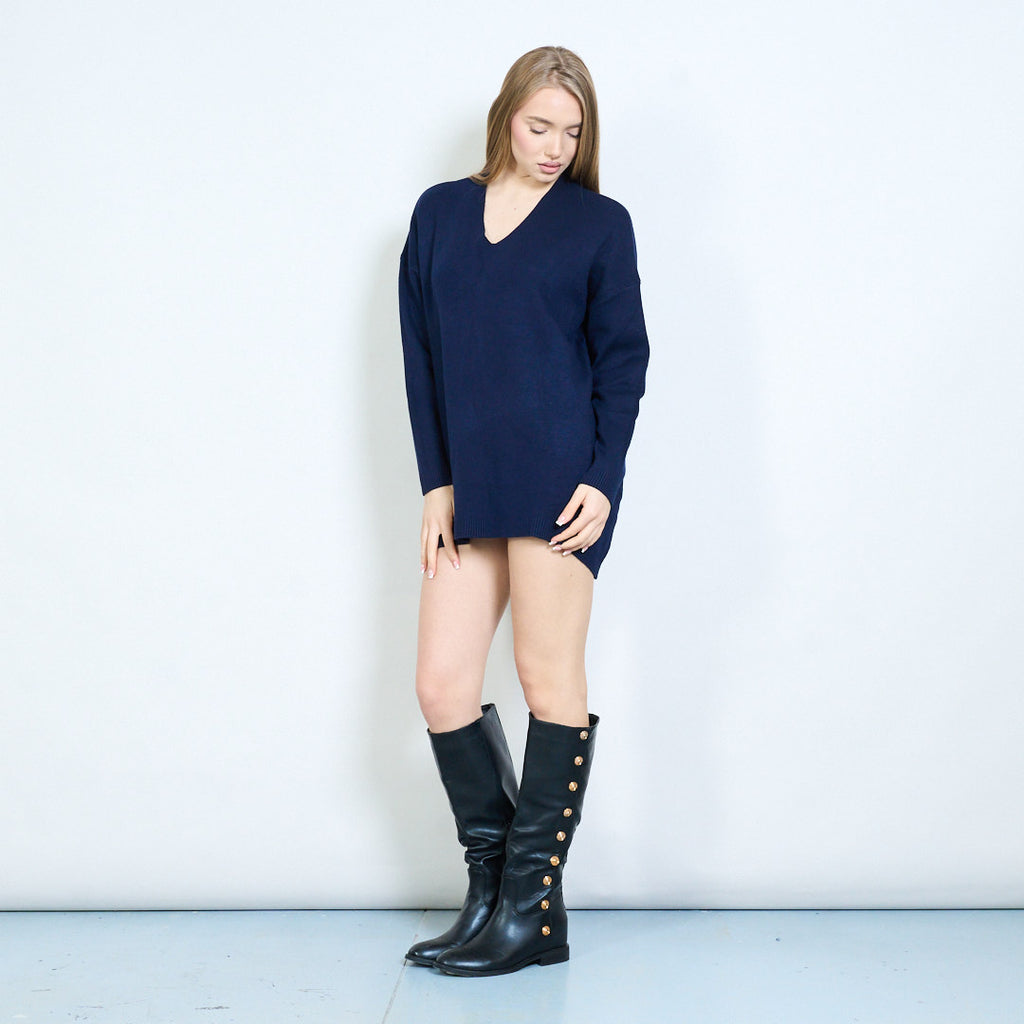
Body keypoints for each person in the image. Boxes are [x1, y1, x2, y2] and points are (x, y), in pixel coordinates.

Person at [397, 44, 650, 977]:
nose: (554, 147)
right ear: (506, 116)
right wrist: (435, 481)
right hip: (470, 486)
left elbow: (623, 361)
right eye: (540, 126)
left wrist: (603, 476)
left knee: (550, 683)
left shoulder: (598, 225)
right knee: (442, 686)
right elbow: (421, 355)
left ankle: (531, 909)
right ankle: (496, 894)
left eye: (571, 133)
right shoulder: (439, 214)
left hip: (558, 487)